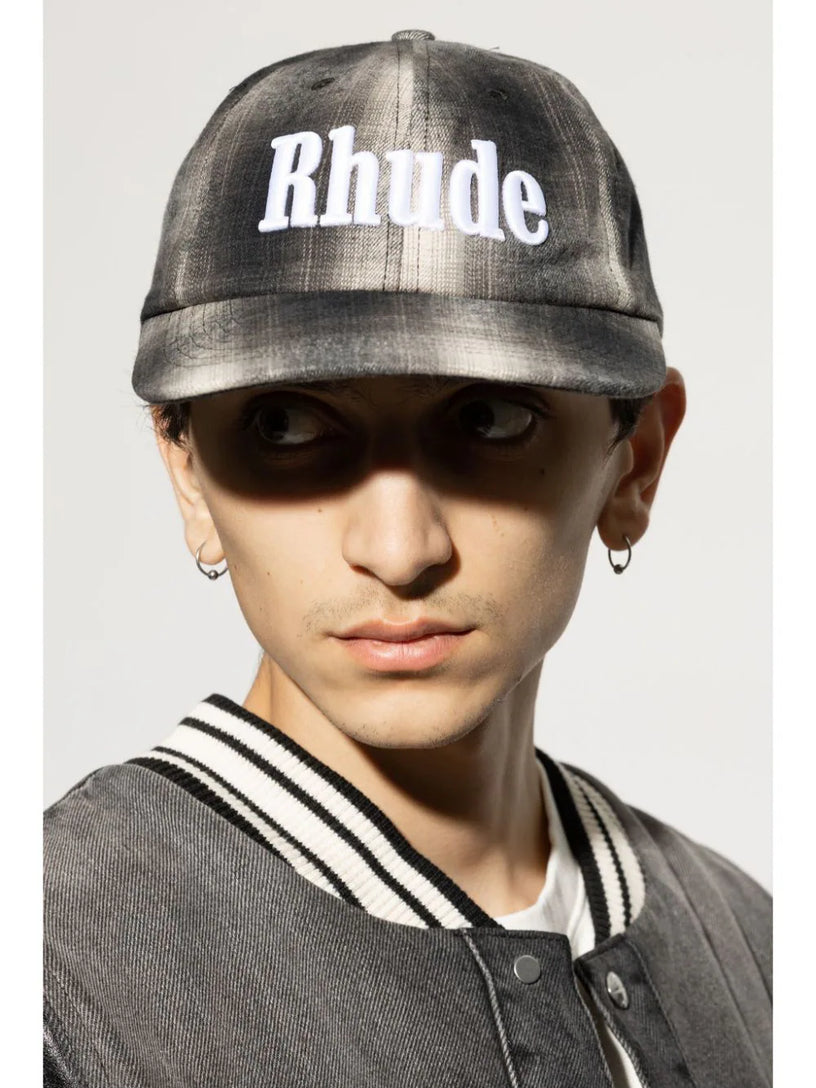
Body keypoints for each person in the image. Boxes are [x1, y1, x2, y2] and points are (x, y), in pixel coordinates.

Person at [43, 29, 771, 1088]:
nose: (398, 549)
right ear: (189, 474)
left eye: (489, 417)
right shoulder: (54, 974)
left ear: (636, 462)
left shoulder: (756, 948)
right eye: (289, 424)